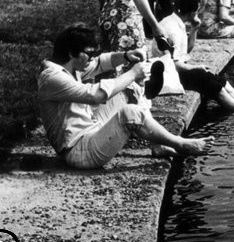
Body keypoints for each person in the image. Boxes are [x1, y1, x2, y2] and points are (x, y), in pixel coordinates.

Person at [37, 24, 214, 169]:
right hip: (78, 152)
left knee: (131, 89)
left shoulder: (69, 68)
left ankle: (157, 145)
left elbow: (100, 63)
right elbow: (94, 96)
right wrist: (132, 73)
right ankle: (181, 144)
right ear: (71, 53)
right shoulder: (52, 77)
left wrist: (125, 56)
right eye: (89, 54)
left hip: (90, 130)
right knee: (129, 113)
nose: (92, 59)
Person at [149, 0, 234, 112]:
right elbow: (173, 64)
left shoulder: (174, 21)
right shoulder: (173, 30)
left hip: (175, 68)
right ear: (192, 12)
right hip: (168, 73)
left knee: (219, 80)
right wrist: (195, 66)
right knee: (209, 82)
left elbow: (185, 51)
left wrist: (194, 29)